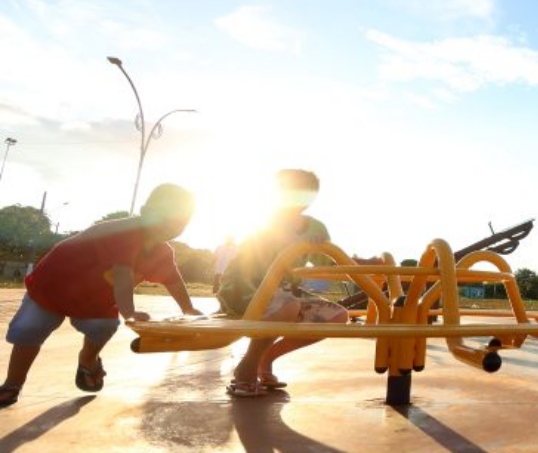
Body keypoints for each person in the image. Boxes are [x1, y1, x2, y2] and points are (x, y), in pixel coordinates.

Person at [0, 183, 202, 408]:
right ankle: (13, 383)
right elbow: (122, 274)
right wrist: (129, 312)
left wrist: (188, 308)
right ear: (145, 212)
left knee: (103, 326)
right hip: (52, 289)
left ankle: (88, 361)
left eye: (180, 221)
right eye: (164, 216)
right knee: (29, 329)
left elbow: (173, 280)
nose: (171, 225)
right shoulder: (125, 231)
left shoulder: (162, 252)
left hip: (93, 300)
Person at [216, 169, 379, 398]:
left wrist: (365, 263)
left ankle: (267, 358)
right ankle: (247, 368)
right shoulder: (266, 219)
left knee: (336, 316)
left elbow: (333, 264)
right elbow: (262, 246)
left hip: (285, 294)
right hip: (245, 290)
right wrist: (297, 241)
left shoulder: (315, 228)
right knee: (287, 306)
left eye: (306, 192)